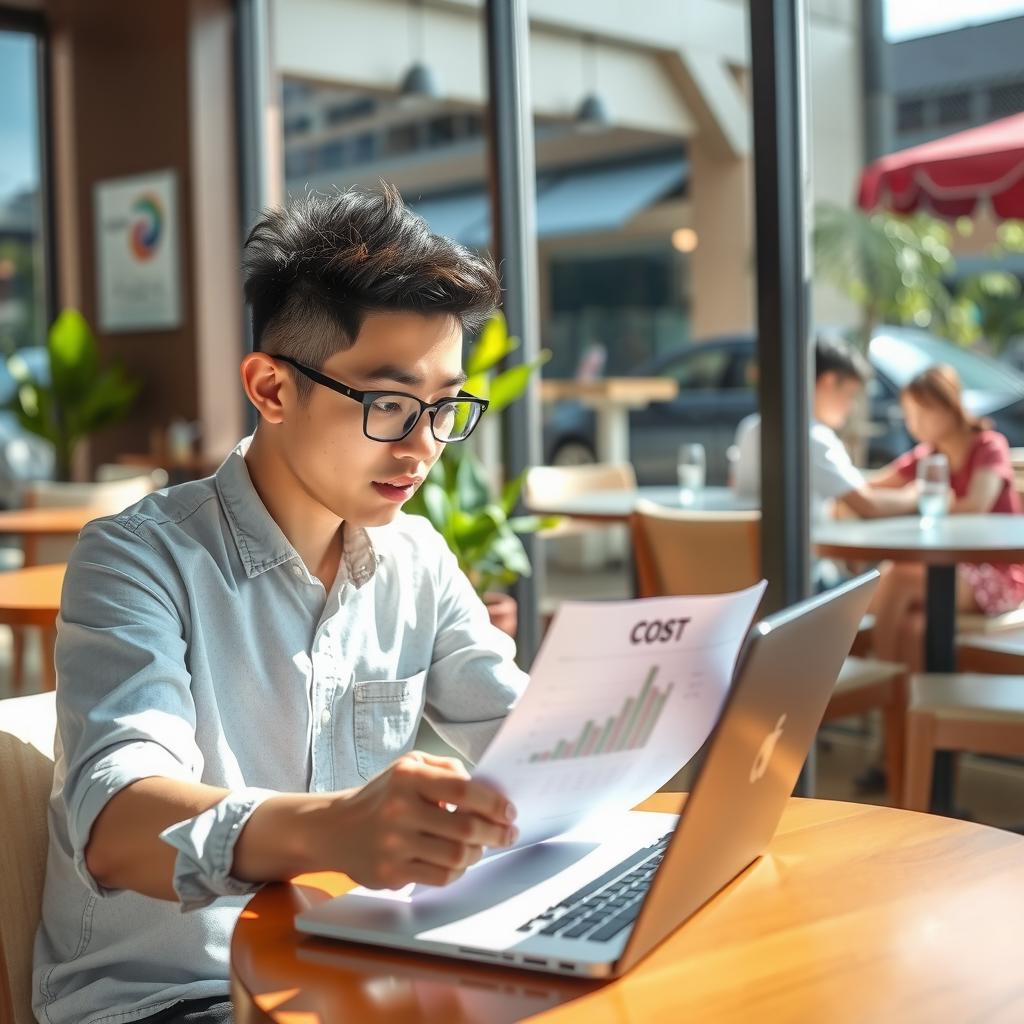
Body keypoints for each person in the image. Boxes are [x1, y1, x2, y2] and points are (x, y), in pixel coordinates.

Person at [33, 185, 527, 1024]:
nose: (424, 445)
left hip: (353, 965)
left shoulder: (416, 557)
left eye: (444, 406)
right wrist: (338, 829)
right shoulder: (138, 557)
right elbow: (116, 823)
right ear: (270, 388)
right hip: (175, 996)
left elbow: (525, 738)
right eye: (389, 404)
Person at [867, 364, 1024, 670]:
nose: (914, 424)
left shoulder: (988, 445)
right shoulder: (928, 455)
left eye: (922, 412)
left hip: (997, 572)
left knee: (896, 576)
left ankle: (877, 684)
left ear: (948, 405)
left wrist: (914, 500)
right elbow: (869, 487)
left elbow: (977, 504)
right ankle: (908, 710)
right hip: (947, 567)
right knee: (914, 625)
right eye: (909, 414)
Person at [732, 331, 919, 522]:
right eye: (849, 394)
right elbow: (868, 505)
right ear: (828, 382)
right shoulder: (813, 437)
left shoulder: (750, 427)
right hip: (805, 550)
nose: (851, 406)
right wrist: (918, 496)